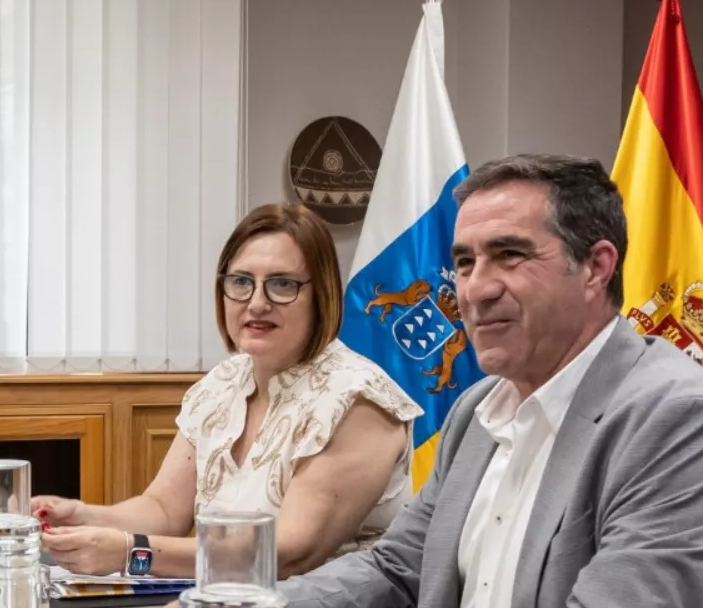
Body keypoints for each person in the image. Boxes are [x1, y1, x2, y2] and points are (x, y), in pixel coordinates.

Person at [145, 154, 703, 608]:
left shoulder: (679, 419)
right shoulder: (478, 410)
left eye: (509, 256)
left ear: (596, 267)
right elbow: (396, 570)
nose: (474, 289)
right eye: (463, 263)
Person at [34, 204, 421, 579]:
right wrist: (84, 517)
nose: (257, 303)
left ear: (322, 295)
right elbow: (164, 509)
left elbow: (288, 553)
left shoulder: (359, 399)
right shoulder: (223, 382)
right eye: (241, 282)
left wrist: (132, 552)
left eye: (282, 284)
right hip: (226, 604)